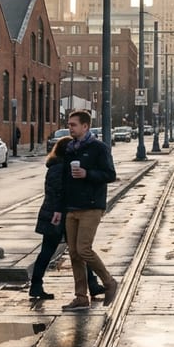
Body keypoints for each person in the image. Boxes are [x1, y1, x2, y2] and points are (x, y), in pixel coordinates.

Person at [28, 136, 104, 301]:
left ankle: (92, 284)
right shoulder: (59, 169)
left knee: (78, 251)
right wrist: (58, 212)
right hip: (57, 216)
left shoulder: (59, 167)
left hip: (60, 214)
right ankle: (36, 285)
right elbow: (57, 194)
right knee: (57, 251)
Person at [60, 110, 119, 310]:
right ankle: (80, 297)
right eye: (69, 124)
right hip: (72, 207)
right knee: (74, 253)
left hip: (91, 206)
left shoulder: (99, 148)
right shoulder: (70, 149)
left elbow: (110, 174)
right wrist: (61, 207)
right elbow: (64, 180)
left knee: (84, 249)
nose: (70, 128)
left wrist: (87, 174)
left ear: (85, 126)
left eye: (73, 125)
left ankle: (109, 282)